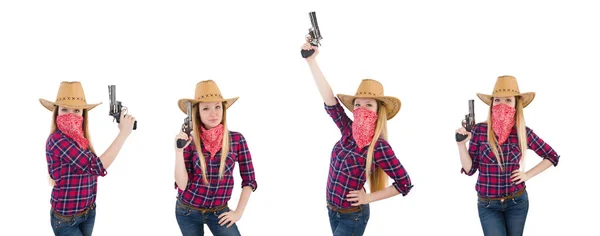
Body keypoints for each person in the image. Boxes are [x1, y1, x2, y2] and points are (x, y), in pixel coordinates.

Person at [302, 39, 413, 236]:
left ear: (378, 112)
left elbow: (404, 183)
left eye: (369, 105)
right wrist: (311, 61)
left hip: (352, 216)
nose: (362, 110)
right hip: (331, 210)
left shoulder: (378, 147)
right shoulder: (347, 131)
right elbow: (330, 100)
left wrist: (367, 198)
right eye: (357, 105)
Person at [455, 75, 561, 236]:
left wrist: (527, 175)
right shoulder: (479, 130)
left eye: (508, 100)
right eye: (497, 100)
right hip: (488, 204)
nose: (501, 105)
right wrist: (461, 145)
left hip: (517, 202)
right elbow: (470, 170)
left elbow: (552, 156)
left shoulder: (522, 132)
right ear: (491, 104)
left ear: (516, 105)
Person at [42, 81, 136, 236]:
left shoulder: (80, 139)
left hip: (88, 212)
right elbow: (96, 167)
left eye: (77, 110)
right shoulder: (57, 140)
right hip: (67, 219)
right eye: (64, 109)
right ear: (56, 112)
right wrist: (123, 135)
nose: (70, 115)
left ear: (83, 115)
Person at [173, 80, 257, 236]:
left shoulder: (237, 140)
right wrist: (178, 151)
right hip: (187, 212)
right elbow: (182, 185)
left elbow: (249, 179)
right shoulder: (189, 141)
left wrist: (238, 212)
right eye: (206, 108)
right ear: (197, 112)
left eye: (217, 107)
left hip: (219, 213)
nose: (214, 113)